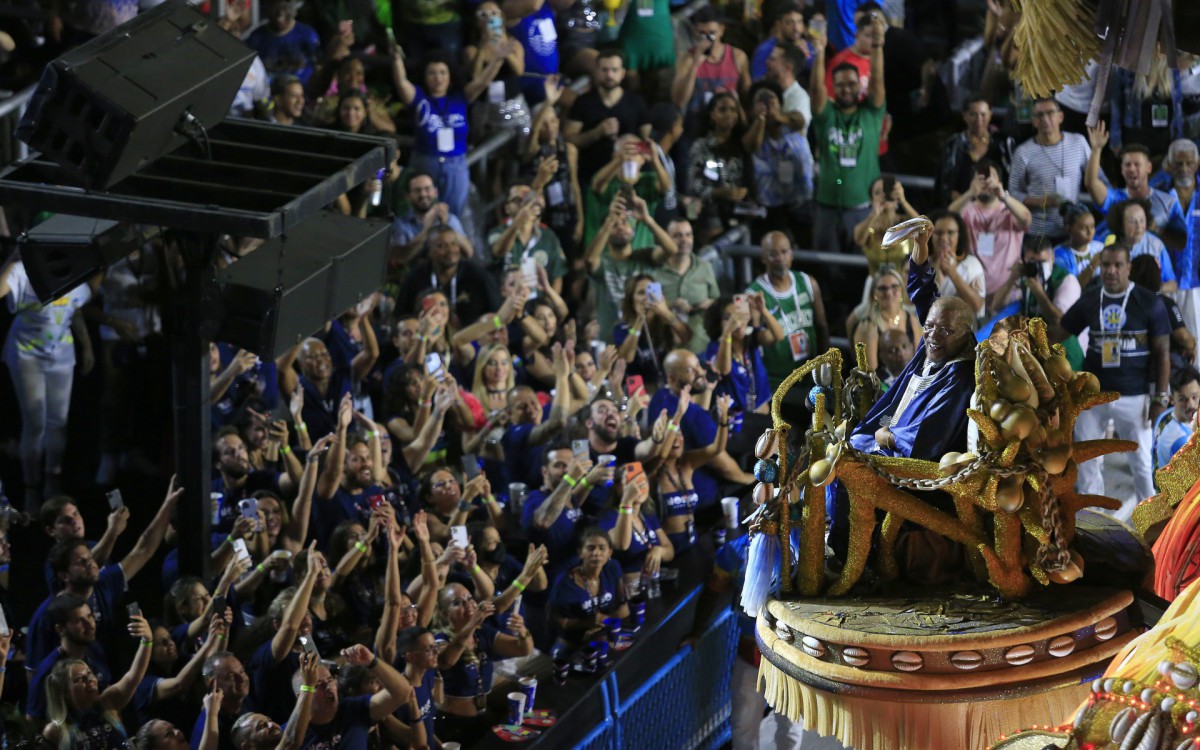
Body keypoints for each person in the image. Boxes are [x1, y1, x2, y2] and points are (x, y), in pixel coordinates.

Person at [1058, 243, 1171, 517]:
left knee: (1141, 462)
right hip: (1094, 394)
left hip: (1134, 395)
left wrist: (1159, 398)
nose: (1111, 271)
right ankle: (1092, 521)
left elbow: (1162, 352)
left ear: (1128, 268)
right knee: (1086, 459)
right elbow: (1060, 332)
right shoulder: (1090, 299)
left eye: (1118, 265)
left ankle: (1150, 520)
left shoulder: (1148, 301)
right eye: (1106, 265)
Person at [848, 222, 977, 460]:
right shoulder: (936, 340)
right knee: (852, 442)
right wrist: (921, 245)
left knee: (847, 471)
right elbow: (925, 291)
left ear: (965, 333)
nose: (934, 337)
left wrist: (886, 437)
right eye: (928, 327)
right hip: (889, 423)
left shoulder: (961, 375)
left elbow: (928, 440)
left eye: (945, 331)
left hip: (906, 459)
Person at [0, 252, 96, 508]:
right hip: (26, 354)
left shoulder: (69, 269)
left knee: (58, 422)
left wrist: (86, 346)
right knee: (34, 422)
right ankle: (31, 485)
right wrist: (12, 257)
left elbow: (76, 309)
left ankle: (52, 477)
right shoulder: (21, 271)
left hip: (62, 354)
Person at [393, 47, 507, 218]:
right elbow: (401, 82)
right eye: (432, 73)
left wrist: (497, 60)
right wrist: (396, 59)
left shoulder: (460, 97)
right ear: (424, 76)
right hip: (425, 163)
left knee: (453, 215)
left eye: (442, 72)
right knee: (420, 214)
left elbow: (482, 82)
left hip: (456, 166)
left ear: (450, 76)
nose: (438, 78)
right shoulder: (419, 98)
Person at [809, 14, 887, 255]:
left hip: (862, 209)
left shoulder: (871, 114)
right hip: (827, 208)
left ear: (859, 86)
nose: (846, 89)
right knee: (827, 268)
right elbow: (815, 90)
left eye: (851, 84)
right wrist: (820, 51)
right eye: (840, 84)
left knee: (860, 268)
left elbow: (877, 81)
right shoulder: (827, 115)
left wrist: (876, 47)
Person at [41, 612, 154, 748]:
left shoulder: (107, 703)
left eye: (89, 674)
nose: (90, 680)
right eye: (79, 679)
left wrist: (147, 641)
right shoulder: (54, 731)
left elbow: (133, 677)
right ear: (65, 693)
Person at [746, 231, 830, 389]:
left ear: (791, 254)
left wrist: (825, 367)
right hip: (776, 381)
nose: (780, 259)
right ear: (763, 258)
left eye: (784, 252)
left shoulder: (807, 282)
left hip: (809, 375)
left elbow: (822, 327)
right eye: (773, 254)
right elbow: (753, 343)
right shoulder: (754, 296)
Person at [1007, 98, 1092, 242]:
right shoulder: (1023, 152)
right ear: (1033, 121)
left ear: (1060, 116)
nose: (1045, 119)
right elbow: (1013, 194)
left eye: (1050, 113)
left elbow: (1096, 178)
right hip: (1037, 234)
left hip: (1073, 231)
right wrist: (1042, 202)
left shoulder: (1078, 143)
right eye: (1039, 115)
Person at [948, 158, 1033, 298]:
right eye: (980, 179)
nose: (986, 182)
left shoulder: (1009, 210)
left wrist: (1003, 196)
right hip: (973, 293)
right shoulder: (968, 210)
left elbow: (1027, 219)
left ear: (999, 182)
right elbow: (948, 218)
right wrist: (970, 193)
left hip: (1007, 293)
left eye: (991, 177)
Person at [1085, 125, 1186, 241]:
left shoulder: (1169, 202)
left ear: (1148, 168)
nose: (1132, 169)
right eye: (1127, 165)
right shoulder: (1114, 199)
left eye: (1137, 164)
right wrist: (1096, 149)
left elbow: (1181, 241)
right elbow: (1091, 183)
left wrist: (1156, 229)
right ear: (1122, 170)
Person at [565, 50, 650, 185]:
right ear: (597, 72)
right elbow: (568, 139)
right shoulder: (583, 102)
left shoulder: (636, 102)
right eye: (605, 70)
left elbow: (649, 142)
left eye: (614, 70)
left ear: (622, 73)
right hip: (591, 176)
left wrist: (631, 145)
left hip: (628, 177)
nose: (610, 75)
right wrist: (596, 133)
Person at [744, 81, 814, 239]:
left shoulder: (790, 122)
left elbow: (800, 120)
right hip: (769, 207)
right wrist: (761, 119)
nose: (767, 103)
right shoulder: (752, 130)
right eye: (760, 100)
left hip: (800, 201)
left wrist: (778, 116)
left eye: (770, 98)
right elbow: (751, 146)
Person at [546, 527, 629, 650]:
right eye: (590, 548)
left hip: (604, 634)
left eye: (602, 548)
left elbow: (624, 609)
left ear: (609, 552)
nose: (596, 553)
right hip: (573, 642)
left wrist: (604, 624)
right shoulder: (566, 582)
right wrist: (585, 623)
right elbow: (553, 620)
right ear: (580, 553)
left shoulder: (612, 568)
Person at [672, 7, 750, 137]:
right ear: (695, 31)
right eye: (702, 34)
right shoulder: (686, 59)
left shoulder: (738, 57)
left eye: (711, 33)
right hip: (695, 125)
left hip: (727, 125)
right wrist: (695, 65)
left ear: (721, 30)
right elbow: (679, 101)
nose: (707, 39)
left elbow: (747, 96)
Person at [649, 218, 720, 355]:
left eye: (688, 235)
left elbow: (716, 299)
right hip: (665, 347)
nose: (684, 240)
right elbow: (649, 308)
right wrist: (672, 305)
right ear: (666, 239)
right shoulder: (655, 271)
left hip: (700, 345)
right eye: (677, 235)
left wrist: (709, 303)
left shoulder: (704, 267)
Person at [598, 461, 673, 583]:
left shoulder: (647, 515)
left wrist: (659, 551)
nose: (639, 486)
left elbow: (670, 550)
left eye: (642, 480)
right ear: (617, 488)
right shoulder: (608, 518)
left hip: (654, 585)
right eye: (631, 481)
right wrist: (627, 501)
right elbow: (622, 545)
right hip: (629, 591)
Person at [228, 652, 318, 750]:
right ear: (249, 747)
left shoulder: (283, 729)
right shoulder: (289, 740)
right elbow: (291, 740)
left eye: (269, 721)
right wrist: (307, 686)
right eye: (261, 727)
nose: (271, 725)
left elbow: (304, 718)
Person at [936, 95, 1016, 204]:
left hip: (998, 208)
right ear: (964, 115)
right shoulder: (954, 143)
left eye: (983, 114)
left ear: (990, 115)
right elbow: (946, 183)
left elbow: (1013, 181)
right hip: (960, 207)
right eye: (973, 114)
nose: (979, 119)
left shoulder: (1003, 143)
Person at [988, 239, 1081, 326]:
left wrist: (1039, 293)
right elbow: (996, 307)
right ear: (1025, 259)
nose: (1038, 267)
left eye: (1042, 262)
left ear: (1052, 258)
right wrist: (1011, 279)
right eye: (1033, 262)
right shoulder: (1025, 275)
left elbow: (1058, 322)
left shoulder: (1067, 281)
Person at [388, 172, 473, 267]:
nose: (423, 194)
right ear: (408, 196)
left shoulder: (450, 219)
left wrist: (445, 227)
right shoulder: (401, 224)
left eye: (427, 189)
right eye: (417, 190)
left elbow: (468, 252)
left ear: (435, 192)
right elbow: (400, 258)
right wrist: (427, 230)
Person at [852, 267, 922, 371]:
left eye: (894, 287)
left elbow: (919, 361)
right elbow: (869, 376)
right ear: (873, 294)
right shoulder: (867, 328)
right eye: (882, 288)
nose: (889, 293)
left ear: (901, 289)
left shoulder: (911, 319)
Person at [925, 209, 986, 319]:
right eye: (938, 233)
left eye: (950, 233)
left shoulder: (972, 265)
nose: (944, 238)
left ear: (959, 235)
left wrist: (953, 273)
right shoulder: (921, 264)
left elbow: (977, 306)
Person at [1109, 198, 1177, 292]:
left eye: (1142, 220)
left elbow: (1173, 284)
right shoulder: (1110, 243)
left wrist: (1155, 288)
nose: (1138, 226)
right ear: (1121, 224)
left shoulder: (1156, 245)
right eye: (1132, 221)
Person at [246, 0, 321, 85]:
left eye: (285, 5)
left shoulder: (307, 35)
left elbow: (319, 67)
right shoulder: (256, 38)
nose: (280, 11)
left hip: (302, 93)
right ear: (266, 7)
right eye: (275, 4)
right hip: (267, 93)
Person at [1155, 366, 1200, 475]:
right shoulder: (1181, 441)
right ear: (1172, 399)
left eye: (1194, 397)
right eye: (1182, 400)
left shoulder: (1166, 416)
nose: (1191, 405)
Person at [750, 2, 812, 81]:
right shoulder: (765, 50)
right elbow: (758, 81)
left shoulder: (808, 47)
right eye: (789, 23)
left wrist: (805, 57)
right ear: (779, 24)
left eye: (799, 22)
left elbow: (816, 79)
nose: (796, 28)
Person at [1053, 202, 1104, 289]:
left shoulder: (1099, 247)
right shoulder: (1059, 255)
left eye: (1092, 226)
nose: (1090, 232)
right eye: (1084, 228)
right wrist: (1094, 263)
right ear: (1069, 228)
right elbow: (1072, 290)